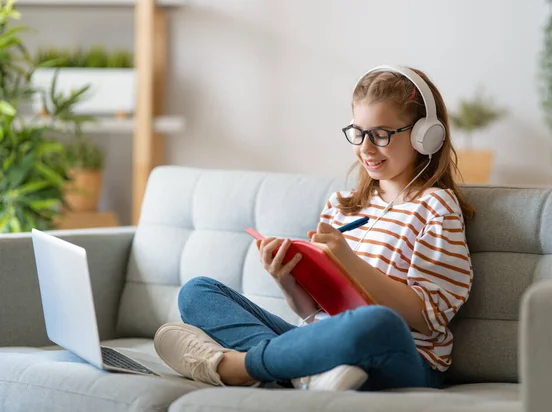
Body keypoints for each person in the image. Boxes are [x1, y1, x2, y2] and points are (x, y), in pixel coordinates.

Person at [153, 65, 475, 392]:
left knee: (378, 321)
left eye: (381, 134)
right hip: (321, 343)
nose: (365, 148)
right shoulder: (341, 204)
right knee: (198, 292)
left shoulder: (436, 206)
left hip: (400, 355)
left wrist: (349, 262)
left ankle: (237, 367)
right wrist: (287, 280)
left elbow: (428, 316)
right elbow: (314, 313)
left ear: (425, 135)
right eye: (358, 133)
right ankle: (301, 371)